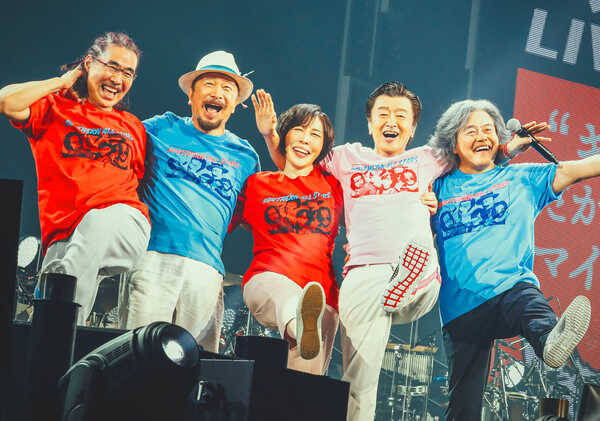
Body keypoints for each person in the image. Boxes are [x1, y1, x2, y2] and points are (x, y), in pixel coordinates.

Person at [256, 83, 515, 420]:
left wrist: (509, 147)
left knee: (419, 239)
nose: (391, 121)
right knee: (358, 379)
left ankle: (412, 276)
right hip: (364, 274)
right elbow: (296, 164)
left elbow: (475, 153)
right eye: (383, 114)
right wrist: (270, 136)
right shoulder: (347, 157)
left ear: (413, 128)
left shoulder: (427, 157)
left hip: (415, 269)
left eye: (401, 115)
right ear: (369, 123)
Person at [428, 99, 594, 420]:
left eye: (488, 129)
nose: (481, 136)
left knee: (528, 301)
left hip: (509, 289)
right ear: (453, 143)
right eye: (470, 131)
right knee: (463, 405)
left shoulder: (523, 178)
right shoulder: (437, 187)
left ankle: (549, 340)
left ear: (498, 136)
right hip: (461, 306)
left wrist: (506, 154)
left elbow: (579, 169)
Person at [0, 32, 150, 325]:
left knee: (94, 226)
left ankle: (55, 325)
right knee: (59, 286)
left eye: (128, 73)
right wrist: (62, 82)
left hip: (123, 223)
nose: (118, 78)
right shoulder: (55, 107)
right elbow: (5, 101)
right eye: (112, 66)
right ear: (88, 64)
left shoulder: (133, 126)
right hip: (65, 235)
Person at [119, 51, 260, 352]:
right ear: (191, 95)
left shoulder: (247, 156)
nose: (217, 93)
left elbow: (246, 213)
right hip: (153, 259)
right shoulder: (161, 128)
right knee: (138, 356)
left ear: (236, 103)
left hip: (207, 271)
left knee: (193, 363)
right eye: (208, 84)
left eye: (227, 88)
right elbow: (118, 144)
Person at [229, 102, 341, 374]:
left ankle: (303, 326)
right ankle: (299, 322)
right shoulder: (257, 184)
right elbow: (221, 217)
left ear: (323, 147)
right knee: (289, 299)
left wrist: (424, 201)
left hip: (323, 297)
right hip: (267, 279)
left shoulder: (333, 185)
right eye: (299, 130)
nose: (305, 139)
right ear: (285, 134)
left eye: (315, 134)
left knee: (303, 387)